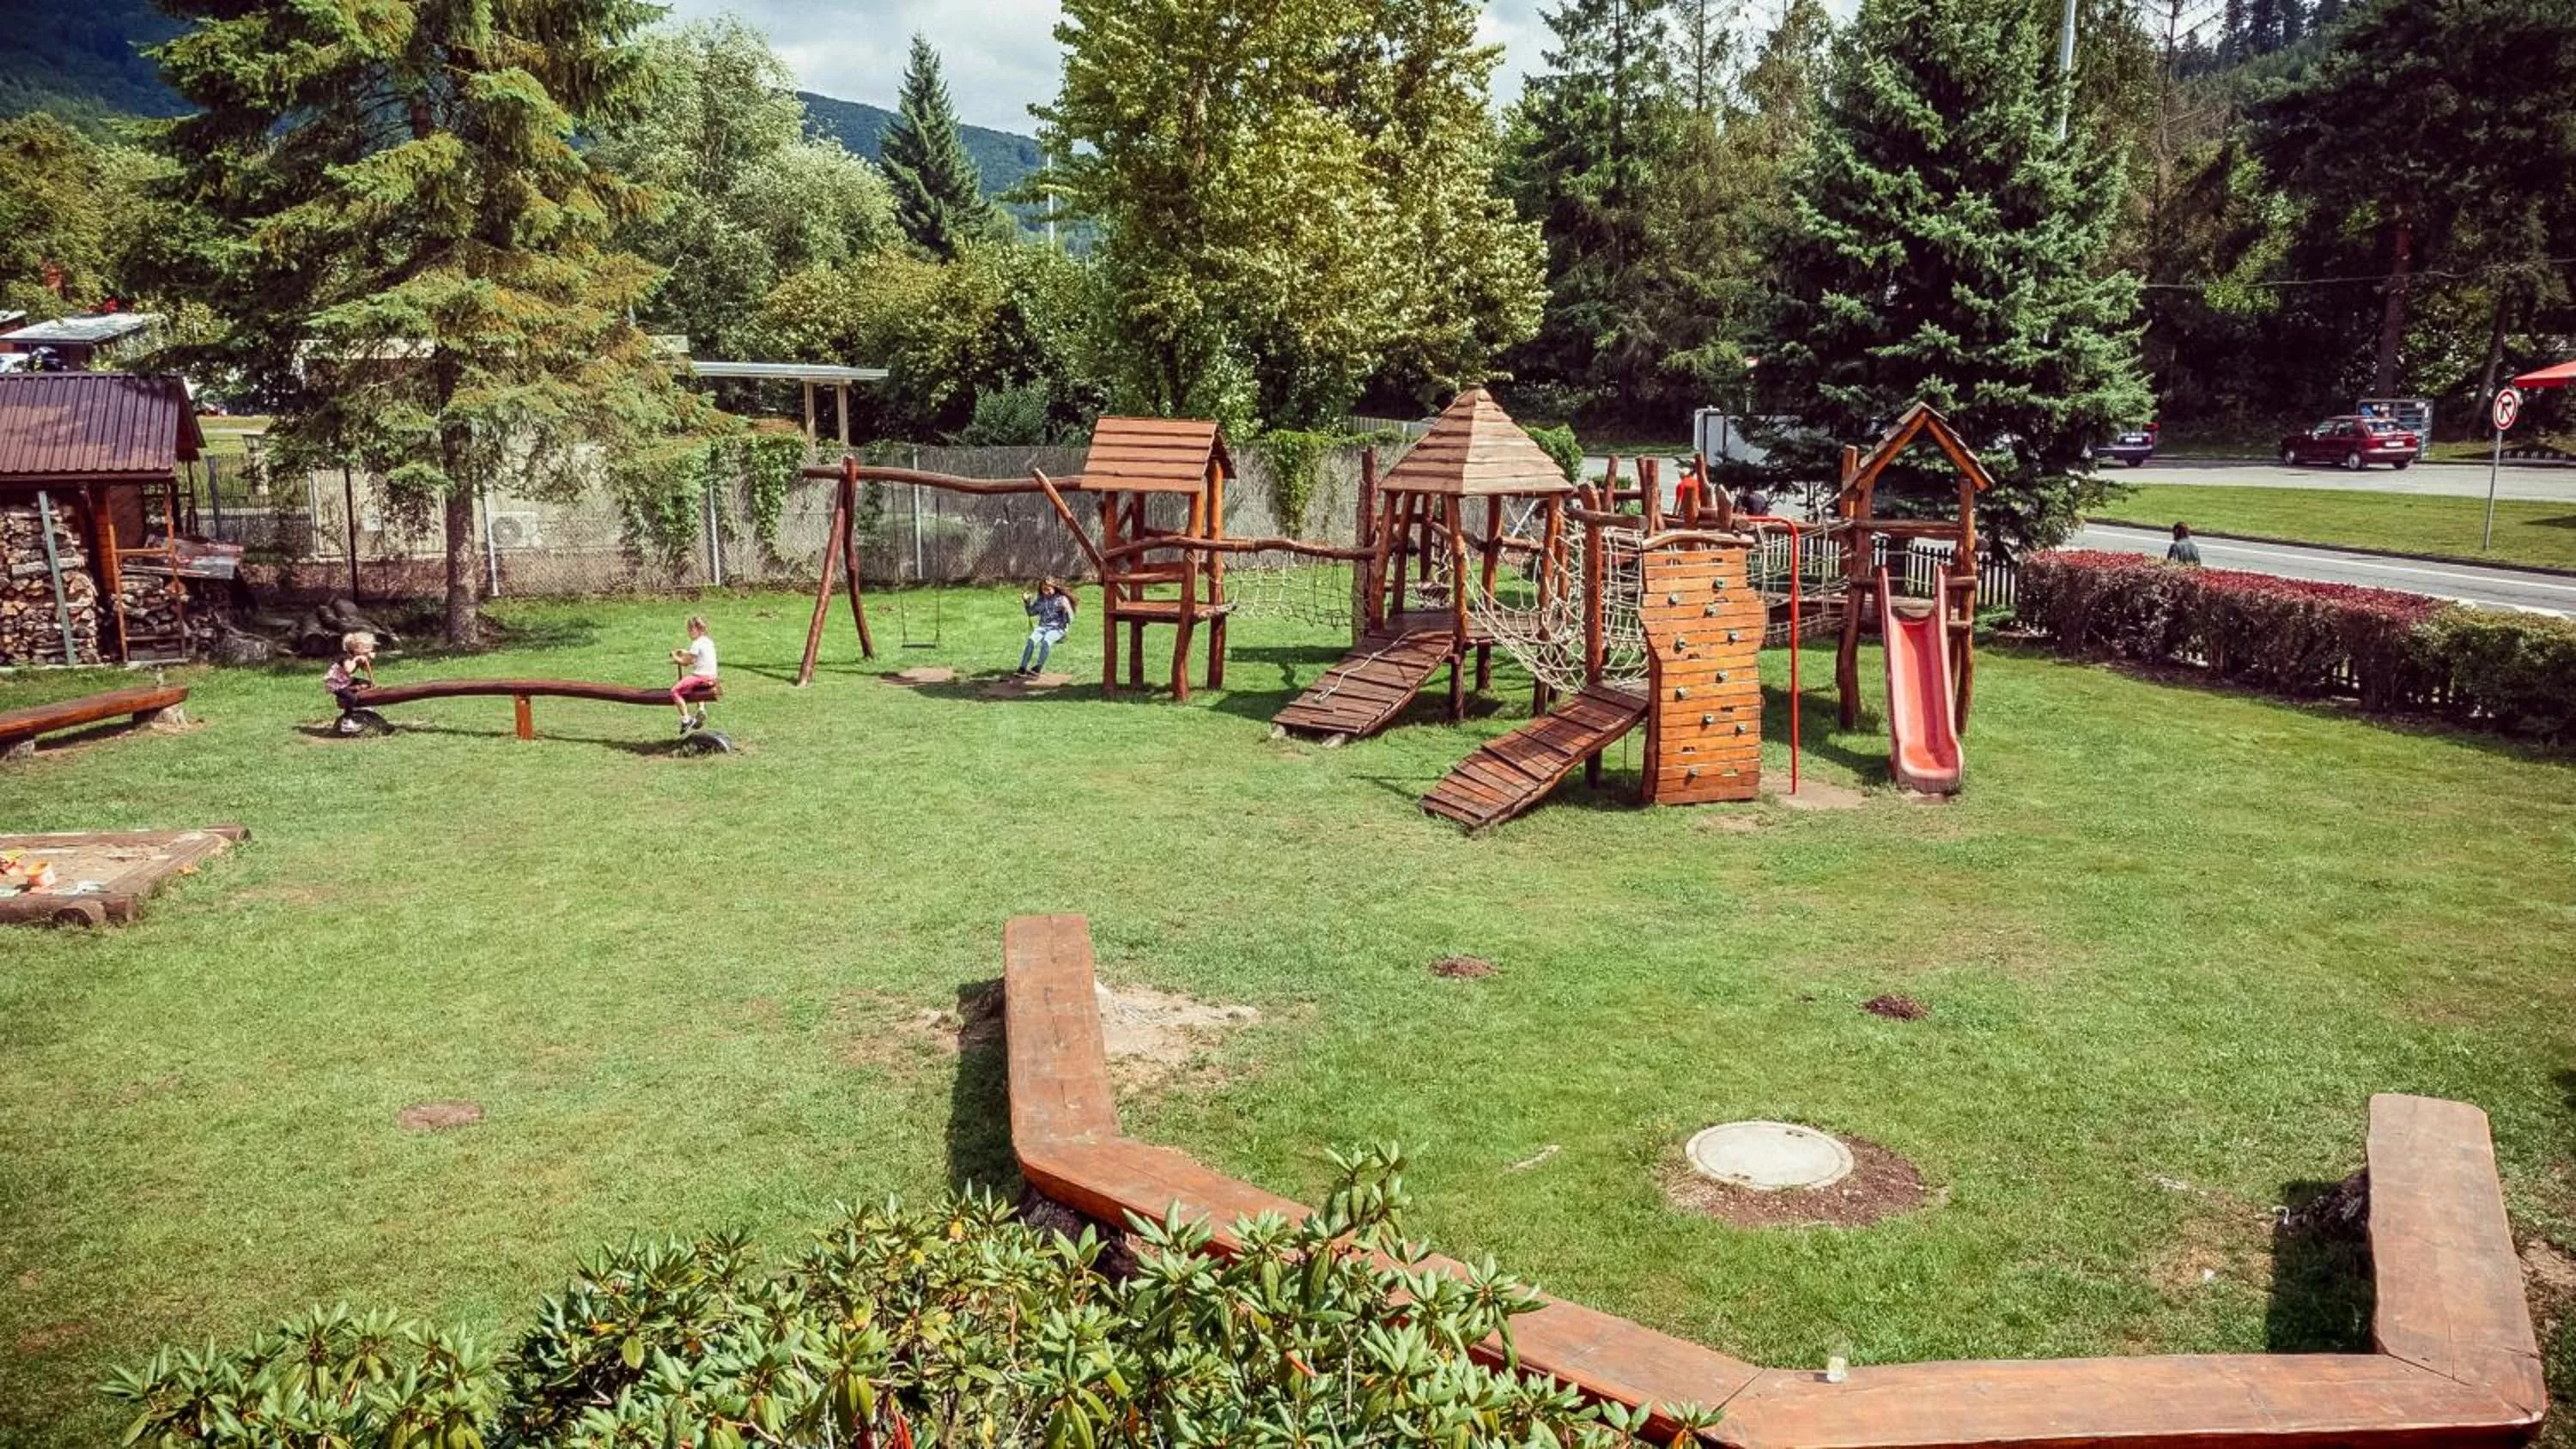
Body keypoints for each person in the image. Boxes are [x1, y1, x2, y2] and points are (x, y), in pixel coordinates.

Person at [668, 615, 718, 733]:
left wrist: (675, 657)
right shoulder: (708, 642)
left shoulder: (696, 643)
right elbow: (695, 656)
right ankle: (701, 708)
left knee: (674, 691)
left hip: (701, 677)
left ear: (697, 630)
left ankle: (686, 719)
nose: (688, 633)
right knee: (693, 685)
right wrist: (685, 652)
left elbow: (686, 662)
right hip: (712, 676)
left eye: (690, 630)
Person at [1018, 579, 1076, 676]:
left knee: (1046, 641)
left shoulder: (1062, 599)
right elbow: (1031, 613)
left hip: (1058, 628)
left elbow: (1071, 619)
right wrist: (1027, 602)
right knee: (1031, 640)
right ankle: (1022, 667)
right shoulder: (1041, 600)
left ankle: (1038, 668)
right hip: (1043, 627)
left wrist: (1066, 611)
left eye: (1048, 589)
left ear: (1054, 588)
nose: (1046, 592)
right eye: (1044, 590)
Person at [324, 632, 376, 715]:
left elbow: (365, 669)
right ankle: (348, 714)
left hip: (346, 680)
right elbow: (349, 670)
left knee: (367, 684)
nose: (368, 652)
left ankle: (363, 704)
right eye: (366, 650)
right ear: (356, 649)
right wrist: (356, 660)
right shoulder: (347, 658)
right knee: (352, 698)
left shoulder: (359, 656)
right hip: (337, 683)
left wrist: (368, 660)